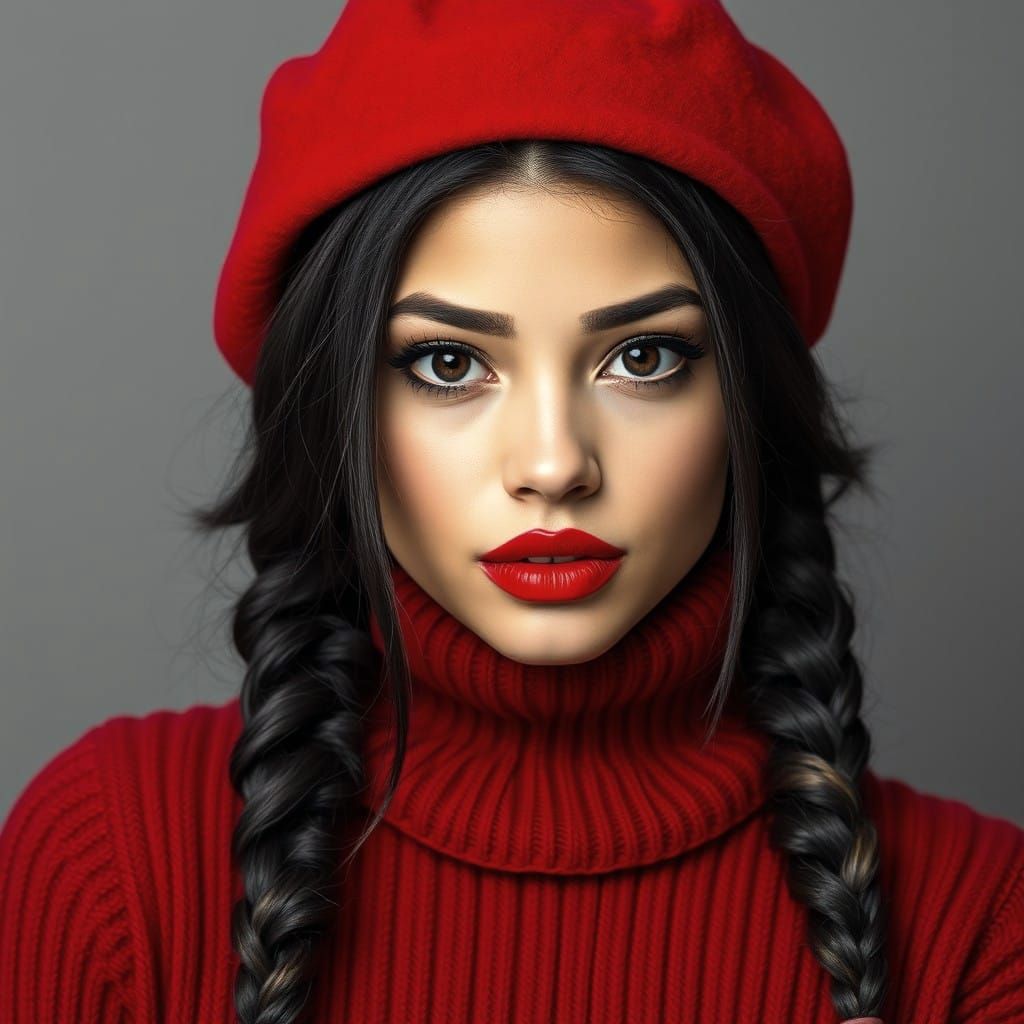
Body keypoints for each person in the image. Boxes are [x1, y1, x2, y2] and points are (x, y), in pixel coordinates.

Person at [1, 2, 1021, 1022]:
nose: (552, 464)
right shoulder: (109, 865)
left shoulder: (975, 921)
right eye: (447, 364)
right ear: (335, 407)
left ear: (750, 404)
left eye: (643, 357)